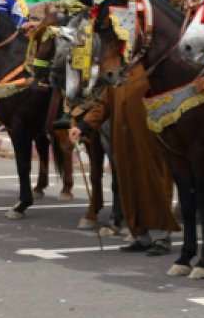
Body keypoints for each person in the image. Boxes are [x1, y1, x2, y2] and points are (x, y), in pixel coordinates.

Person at [69, 61, 180, 256]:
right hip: (122, 142)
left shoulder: (152, 70)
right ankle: (141, 235)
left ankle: (161, 237)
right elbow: (104, 105)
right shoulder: (119, 74)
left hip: (149, 140)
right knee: (129, 186)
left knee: (154, 186)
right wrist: (83, 126)